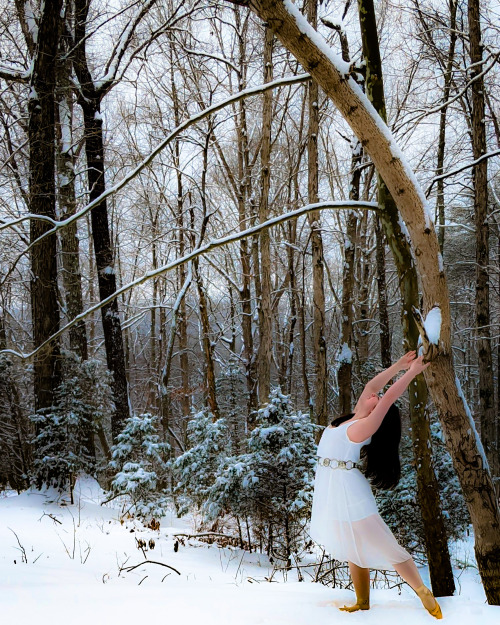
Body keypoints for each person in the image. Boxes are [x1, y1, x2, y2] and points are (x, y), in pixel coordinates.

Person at [309, 351, 442, 619]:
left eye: (378, 401)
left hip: (349, 490)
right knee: (352, 544)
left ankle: (424, 593)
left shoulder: (363, 427)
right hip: (332, 486)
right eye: (374, 398)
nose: (374, 396)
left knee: (384, 543)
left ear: (377, 413)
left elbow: (390, 395)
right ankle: (362, 601)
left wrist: (412, 373)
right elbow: (373, 386)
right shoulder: (350, 418)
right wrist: (398, 365)